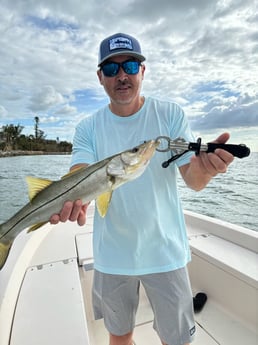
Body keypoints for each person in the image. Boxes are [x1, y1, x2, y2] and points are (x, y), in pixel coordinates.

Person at [50, 33, 234, 345]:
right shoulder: (88, 127)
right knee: (119, 337)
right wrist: (72, 199)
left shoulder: (170, 115)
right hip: (112, 256)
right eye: (111, 69)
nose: (121, 75)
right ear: (100, 77)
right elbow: (80, 171)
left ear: (142, 71)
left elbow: (193, 180)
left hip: (165, 252)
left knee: (176, 340)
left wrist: (206, 170)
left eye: (130, 65)